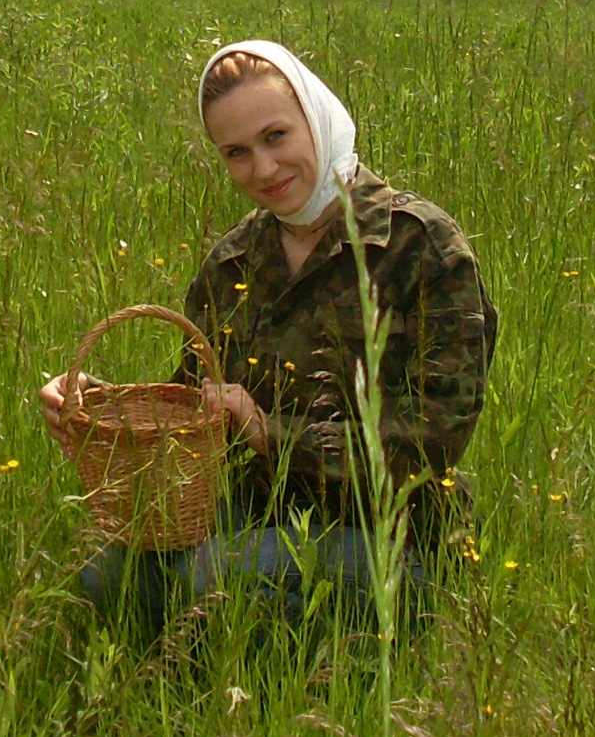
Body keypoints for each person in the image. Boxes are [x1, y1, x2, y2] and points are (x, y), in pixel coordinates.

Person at [38, 39, 498, 640]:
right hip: (258, 517)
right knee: (108, 574)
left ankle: (366, 659)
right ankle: (184, 679)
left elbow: (437, 438)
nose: (263, 169)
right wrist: (98, 411)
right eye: (237, 152)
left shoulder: (419, 246)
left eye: (276, 136)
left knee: (215, 573)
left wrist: (267, 432)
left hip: (398, 538)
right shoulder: (235, 259)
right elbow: (195, 408)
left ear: (317, 117)